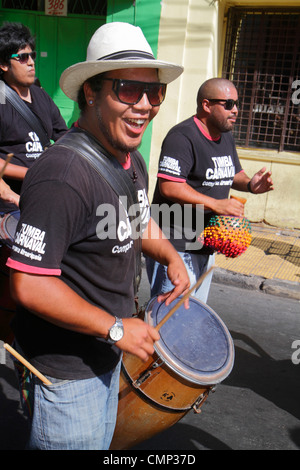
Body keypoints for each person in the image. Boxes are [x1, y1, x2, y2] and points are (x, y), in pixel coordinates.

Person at [6, 22, 189, 450]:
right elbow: (29, 283)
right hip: (69, 373)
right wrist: (115, 328)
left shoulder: (131, 158)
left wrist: (170, 256)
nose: (145, 105)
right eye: (127, 90)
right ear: (91, 91)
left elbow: (136, 219)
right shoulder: (63, 173)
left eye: (154, 92)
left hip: (109, 356)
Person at [146, 77, 274, 303]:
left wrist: (251, 185)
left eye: (237, 103)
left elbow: (232, 173)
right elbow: (170, 186)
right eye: (228, 104)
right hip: (175, 245)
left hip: (204, 244)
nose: (235, 110)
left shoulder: (225, 136)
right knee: (169, 321)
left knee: (193, 317)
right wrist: (216, 204)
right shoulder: (182, 137)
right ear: (206, 105)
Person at [0, 22, 68, 217]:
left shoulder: (41, 96)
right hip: (9, 206)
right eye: (22, 57)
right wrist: (28, 173)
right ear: (4, 64)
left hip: (43, 195)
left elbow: (63, 135)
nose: (31, 62)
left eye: (32, 56)